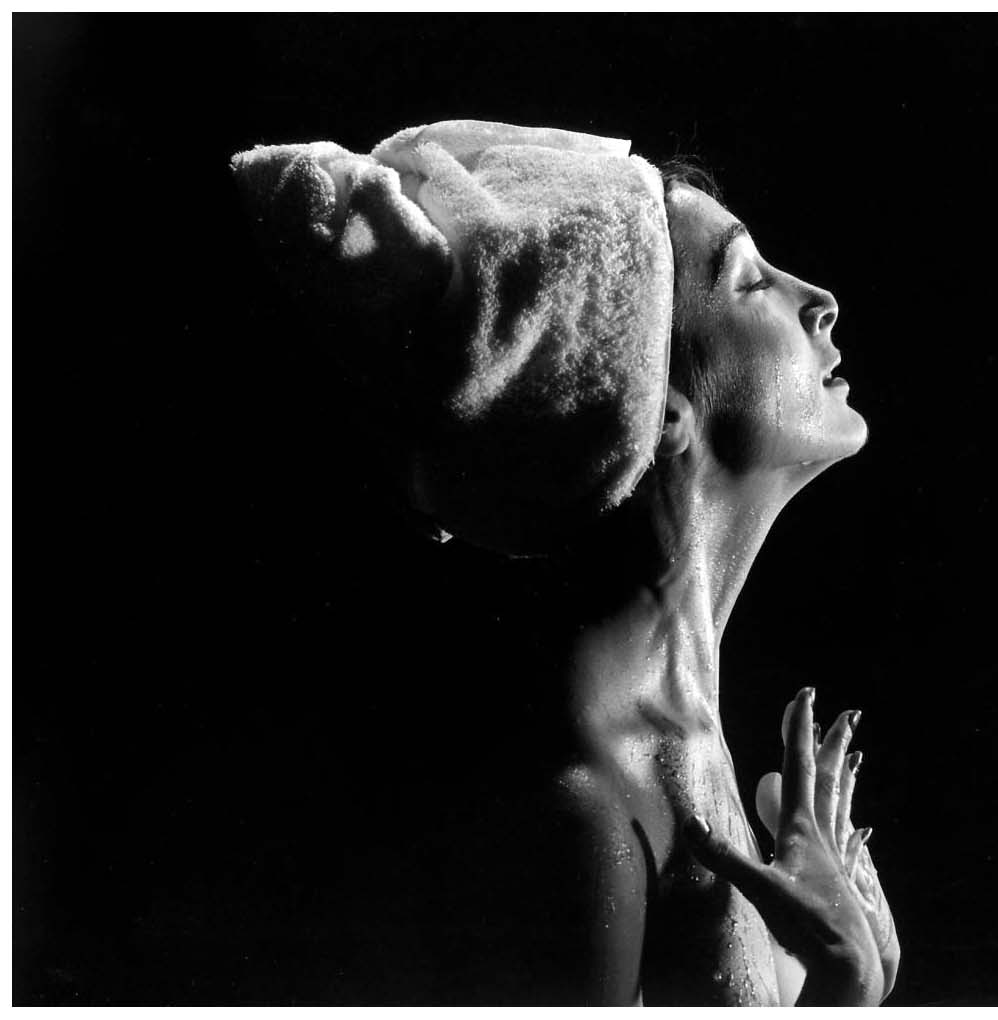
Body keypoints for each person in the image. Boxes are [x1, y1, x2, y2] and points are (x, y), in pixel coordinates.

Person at [232, 123, 899, 1005]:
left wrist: (835, 971)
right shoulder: (580, 801)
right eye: (748, 281)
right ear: (653, 414)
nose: (817, 299)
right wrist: (849, 989)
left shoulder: (676, 733)